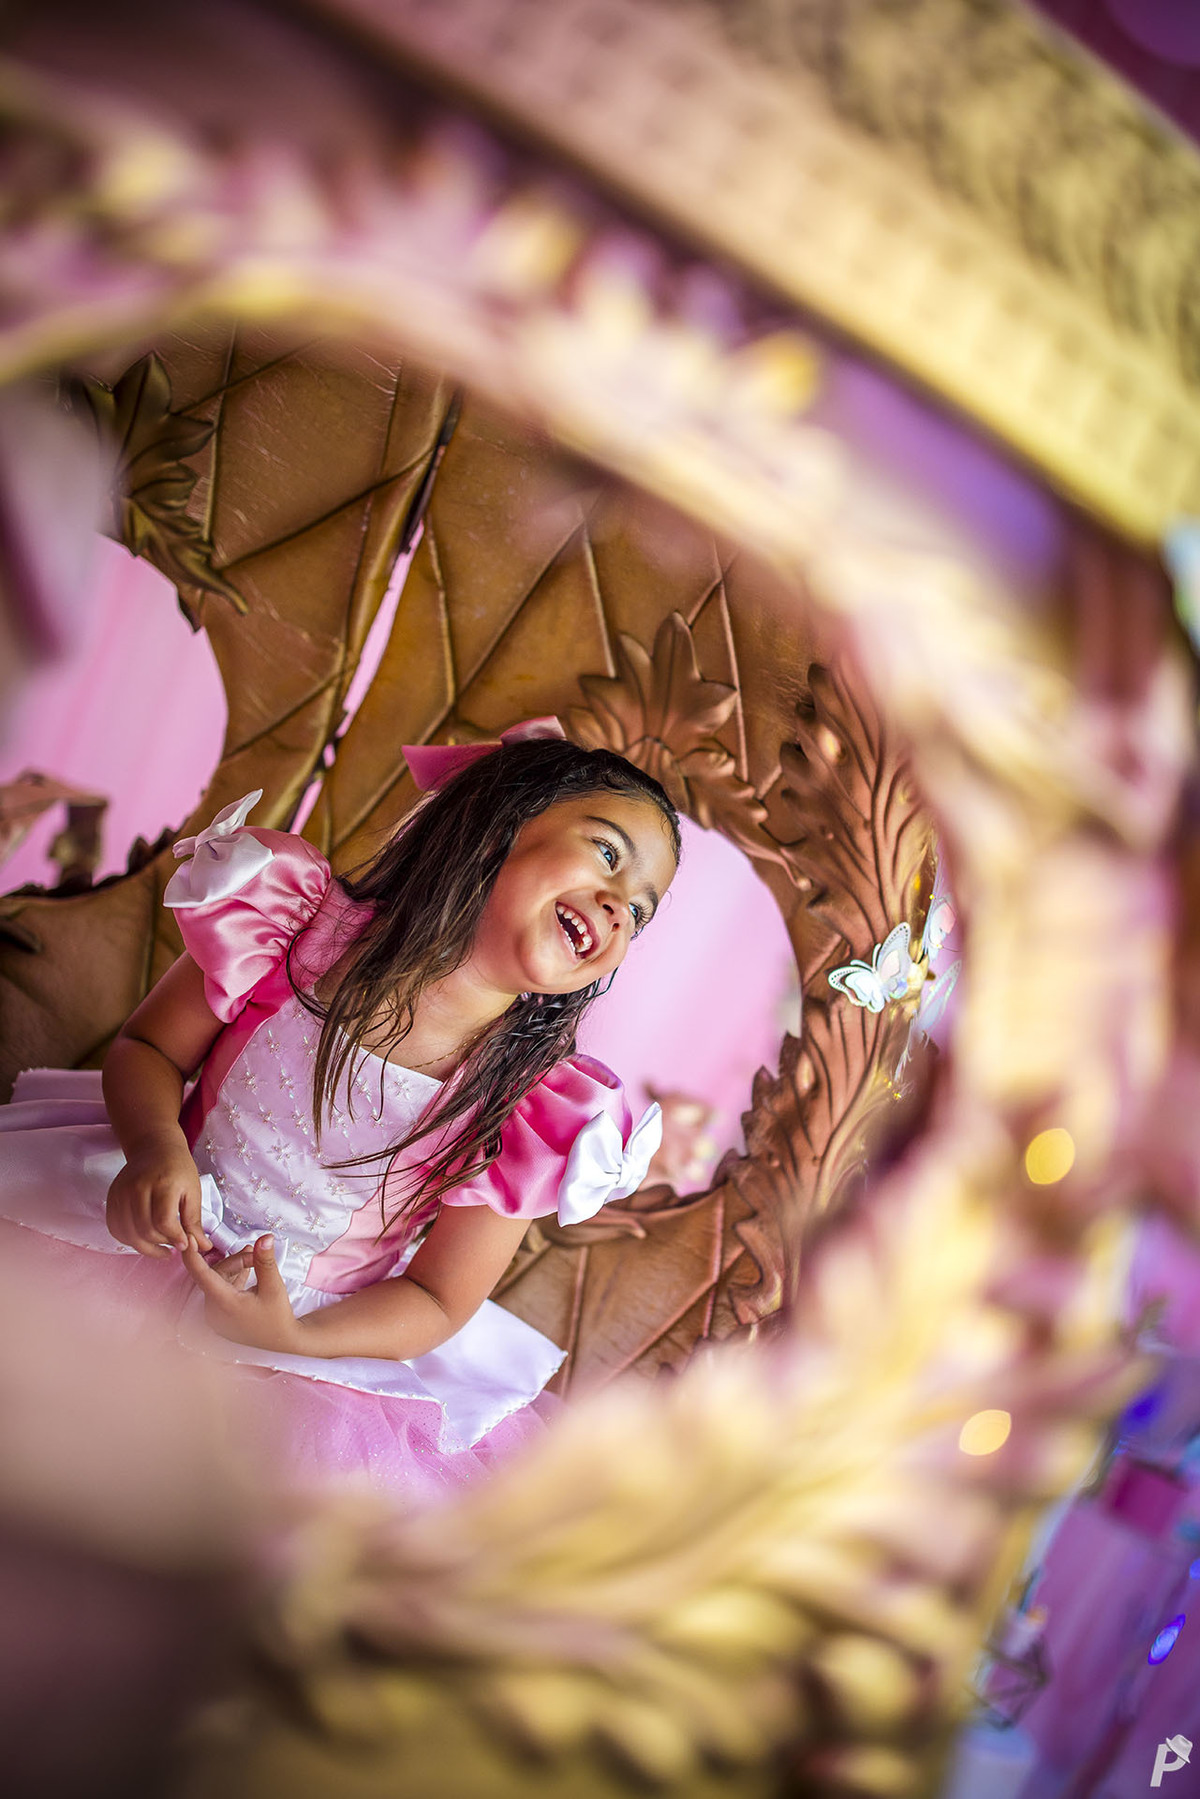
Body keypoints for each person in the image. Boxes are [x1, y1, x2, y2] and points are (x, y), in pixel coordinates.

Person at [0, 724, 680, 1499]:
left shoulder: (530, 1102)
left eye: (641, 911)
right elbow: (149, 1047)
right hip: (143, 1240)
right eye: (608, 852)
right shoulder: (292, 924)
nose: (620, 907)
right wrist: (155, 1150)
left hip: (306, 1338)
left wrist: (296, 1336)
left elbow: (438, 1297)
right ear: (500, 819)